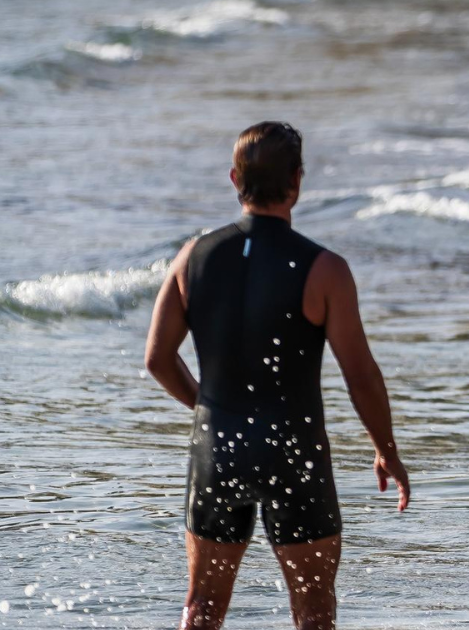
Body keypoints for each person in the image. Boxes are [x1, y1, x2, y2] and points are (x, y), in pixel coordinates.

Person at [145, 121, 410, 630]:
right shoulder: (324, 268)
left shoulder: (192, 258)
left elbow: (158, 358)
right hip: (295, 451)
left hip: (217, 448)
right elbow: (361, 376)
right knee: (313, 613)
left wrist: (211, 408)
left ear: (233, 178)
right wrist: (386, 451)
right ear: (297, 181)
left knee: (201, 609)